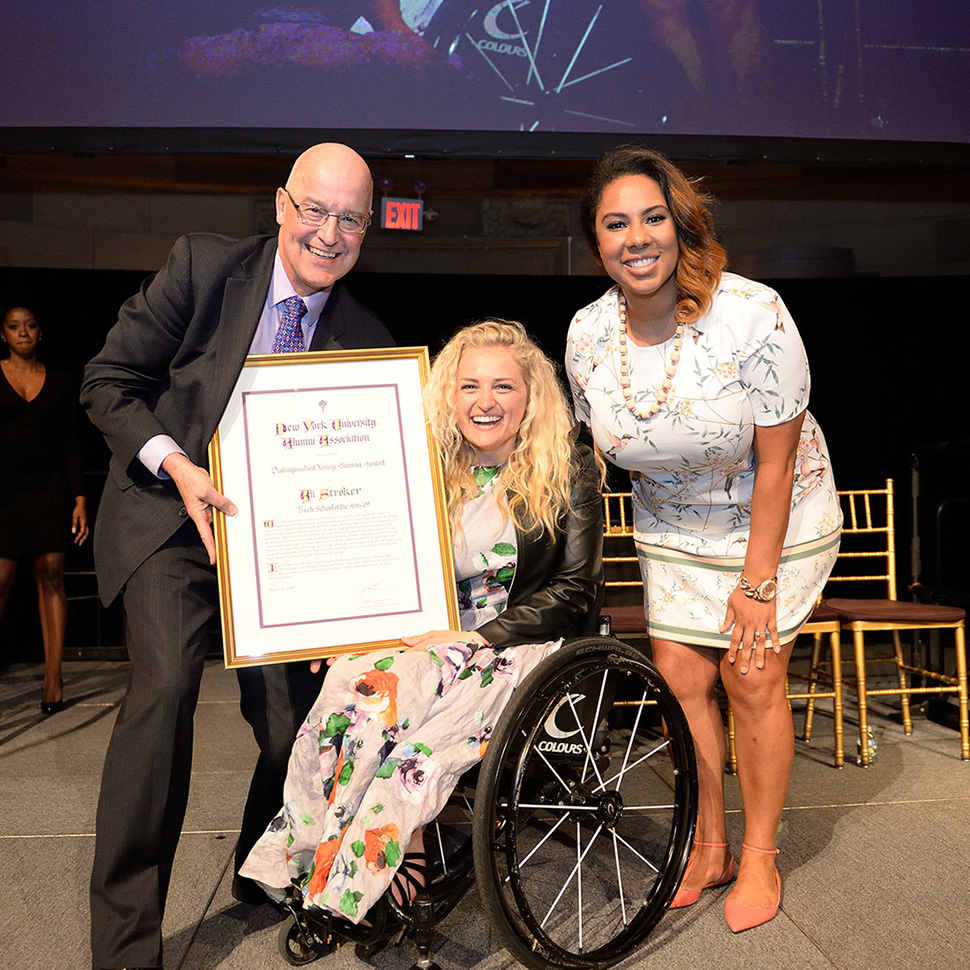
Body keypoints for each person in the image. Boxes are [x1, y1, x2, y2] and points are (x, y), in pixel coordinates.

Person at [80, 142, 395, 970]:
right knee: (167, 691)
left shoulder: (368, 340)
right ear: (282, 205)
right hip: (169, 517)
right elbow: (106, 380)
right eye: (315, 211)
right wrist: (176, 464)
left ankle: (264, 864)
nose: (329, 233)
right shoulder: (203, 269)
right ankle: (123, 948)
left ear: (370, 227)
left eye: (350, 219)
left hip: (281, 548)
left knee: (294, 726)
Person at [240, 319, 604, 922]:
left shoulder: (568, 467)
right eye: (470, 387)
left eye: (504, 388)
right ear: (448, 395)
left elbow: (574, 588)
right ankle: (308, 859)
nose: (485, 402)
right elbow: (373, 560)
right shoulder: (422, 466)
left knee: (417, 750)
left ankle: (375, 872)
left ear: (531, 396)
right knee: (348, 693)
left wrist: (477, 636)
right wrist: (347, 633)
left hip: (513, 642)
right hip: (429, 637)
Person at [565, 146, 841, 933]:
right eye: (615, 224)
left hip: (776, 510)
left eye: (653, 217)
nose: (636, 237)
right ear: (598, 240)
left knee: (752, 676)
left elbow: (779, 459)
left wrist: (756, 586)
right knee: (683, 678)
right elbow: (593, 453)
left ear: (681, 225)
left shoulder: (754, 315)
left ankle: (758, 854)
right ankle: (709, 844)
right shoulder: (587, 335)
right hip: (671, 522)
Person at [0, 305, 88, 714]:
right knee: (2, 577)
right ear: (3, 334)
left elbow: (71, 441)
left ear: (40, 333)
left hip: (50, 486)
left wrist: (80, 498)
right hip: (3, 488)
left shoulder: (61, 381)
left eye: (30, 326)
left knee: (51, 570)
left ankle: (53, 679)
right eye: (15, 327)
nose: (23, 333)